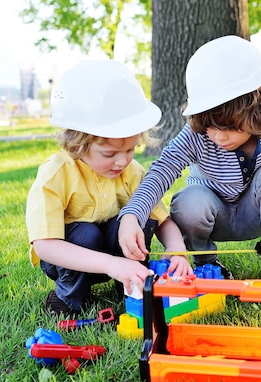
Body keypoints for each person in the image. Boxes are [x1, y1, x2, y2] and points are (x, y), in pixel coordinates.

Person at [118, 35, 261, 280]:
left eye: (229, 126)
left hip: (256, 216)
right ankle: (207, 265)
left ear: (255, 112)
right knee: (188, 202)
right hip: (211, 216)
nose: (218, 135)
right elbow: (161, 172)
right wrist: (132, 214)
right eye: (209, 125)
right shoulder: (195, 136)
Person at [26, 59, 192, 316]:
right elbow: (44, 246)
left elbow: (162, 221)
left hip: (116, 255)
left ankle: (131, 286)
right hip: (71, 258)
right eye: (110, 153)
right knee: (85, 234)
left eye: (130, 149)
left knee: (140, 220)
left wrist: (176, 251)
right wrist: (111, 263)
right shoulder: (55, 175)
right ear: (78, 142)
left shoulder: (132, 172)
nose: (123, 160)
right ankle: (69, 297)